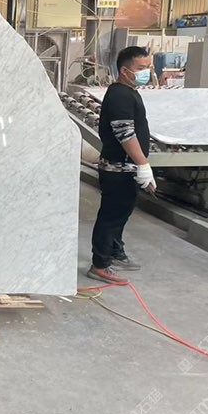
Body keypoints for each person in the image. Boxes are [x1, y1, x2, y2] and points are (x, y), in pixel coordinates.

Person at [87, 46, 157, 283]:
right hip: (118, 169)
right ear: (125, 71)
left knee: (121, 213)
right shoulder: (120, 96)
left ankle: (115, 251)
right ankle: (100, 264)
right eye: (141, 68)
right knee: (112, 216)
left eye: (148, 67)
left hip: (127, 168)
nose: (147, 72)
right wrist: (143, 164)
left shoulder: (129, 92)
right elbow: (125, 134)